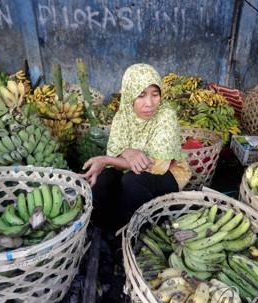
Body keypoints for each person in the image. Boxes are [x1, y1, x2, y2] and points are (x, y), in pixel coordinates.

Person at [81, 64, 191, 231]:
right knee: (104, 180)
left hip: (168, 172)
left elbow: (158, 165)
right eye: (141, 96)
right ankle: (105, 233)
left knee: (132, 181)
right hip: (132, 169)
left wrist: (106, 159)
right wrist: (127, 151)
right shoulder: (123, 115)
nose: (149, 103)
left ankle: (139, 231)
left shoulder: (166, 115)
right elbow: (116, 149)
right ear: (129, 95)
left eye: (155, 95)